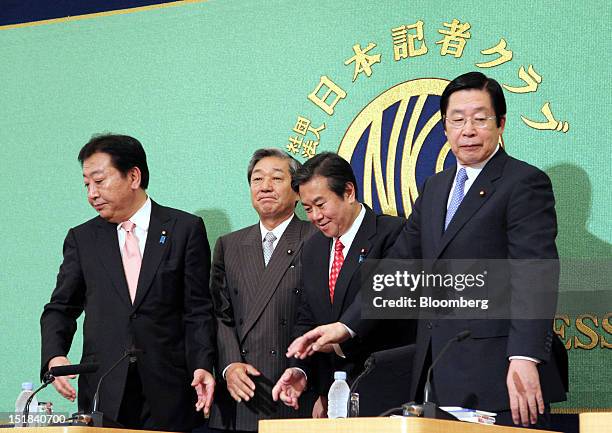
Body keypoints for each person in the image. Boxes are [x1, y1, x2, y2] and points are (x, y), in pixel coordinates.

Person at [285, 72, 568, 428]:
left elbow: (535, 273)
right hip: (438, 375)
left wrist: (525, 356)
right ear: (445, 126)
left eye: (480, 119)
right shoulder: (435, 188)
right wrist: (346, 326)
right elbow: (398, 268)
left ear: (501, 123)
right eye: (457, 119)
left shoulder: (523, 183)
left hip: (502, 374)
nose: (468, 130)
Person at [40, 134, 216, 431]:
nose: (91, 194)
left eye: (99, 181)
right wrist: (54, 355)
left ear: (133, 176)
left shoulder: (184, 229)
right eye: (86, 184)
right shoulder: (83, 239)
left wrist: (202, 364)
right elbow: (60, 307)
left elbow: (197, 310)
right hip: (105, 387)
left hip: (170, 388)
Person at [271, 152, 414, 416]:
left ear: (348, 191)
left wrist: (340, 338)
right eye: (307, 208)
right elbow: (308, 317)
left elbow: (389, 308)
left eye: (320, 204)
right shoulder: (312, 248)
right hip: (333, 395)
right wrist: (299, 368)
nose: (315, 216)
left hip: (387, 390)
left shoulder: (394, 234)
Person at [208, 149, 317, 432]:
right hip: (239, 393)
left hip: (295, 390)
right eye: (257, 179)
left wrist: (304, 372)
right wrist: (230, 365)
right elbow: (219, 314)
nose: (265, 186)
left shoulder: (317, 238)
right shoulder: (229, 245)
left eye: (276, 178)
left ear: (297, 192)